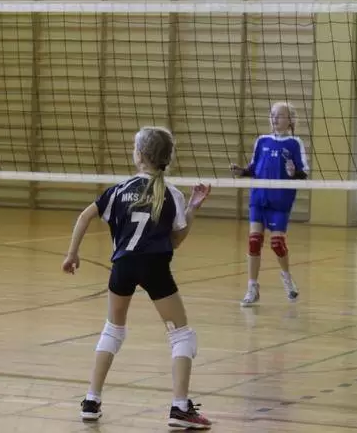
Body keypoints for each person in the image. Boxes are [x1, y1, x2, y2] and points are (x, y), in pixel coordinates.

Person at [62, 126, 212, 429]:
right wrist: (192, 208)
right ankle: (180, 407)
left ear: (140, 155)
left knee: (113, 329)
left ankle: (91, 400)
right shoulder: (172, 194)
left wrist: (72, 254)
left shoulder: (119, 190)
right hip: (155, 267)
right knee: (182, 335)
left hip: (123, 266)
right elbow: (176, 240)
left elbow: (85, 216)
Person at [230, 101, 308, 306]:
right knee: (254, 242)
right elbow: (253, 168)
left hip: (280, 201)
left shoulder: (295, 143)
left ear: (290, 120)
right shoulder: (262, 141)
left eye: (279, 115)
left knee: (277, 244)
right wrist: (242, 171)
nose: (274, 118)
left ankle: (287, 278)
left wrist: (294, 172)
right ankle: (252, 287)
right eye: (272, 114)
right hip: (259, 198)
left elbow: (303, 174)